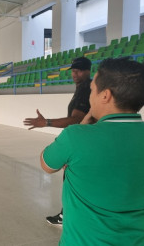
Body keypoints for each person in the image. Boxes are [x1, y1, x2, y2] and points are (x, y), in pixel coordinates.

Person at [41, 57, 144, 245]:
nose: (90, 96)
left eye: (92, 90)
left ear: (105, 95)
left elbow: (46, 164)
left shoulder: (75, 137)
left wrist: (85, 121)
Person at [23, 56, 92, 226]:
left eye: (79, 71)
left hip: (82, 143)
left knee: (71, 182)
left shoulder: (85, 89)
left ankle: (67, 217)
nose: (74, 74)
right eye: (73, 71)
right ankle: (67, 214)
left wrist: (46, 122)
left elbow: (76, 120)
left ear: (88, 71)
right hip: (84, 142)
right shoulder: (82, 88)